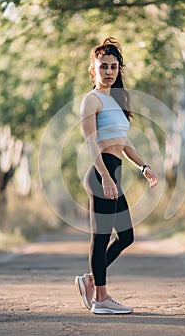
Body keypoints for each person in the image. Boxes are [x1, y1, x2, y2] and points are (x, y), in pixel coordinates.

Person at [75, 37, 158, 314]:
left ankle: (90, 279)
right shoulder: (91, 100)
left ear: (118, 69)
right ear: (93, 70)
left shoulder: (116, 102)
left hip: (114, 171)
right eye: (103, 67)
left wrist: (143, 166)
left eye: (113, 67)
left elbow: (124, 144)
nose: (109, 72)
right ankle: (101, 299)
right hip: (101, 174)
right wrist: (106, 178)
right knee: (100, 237)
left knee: (126, 236)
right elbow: (91, 142)